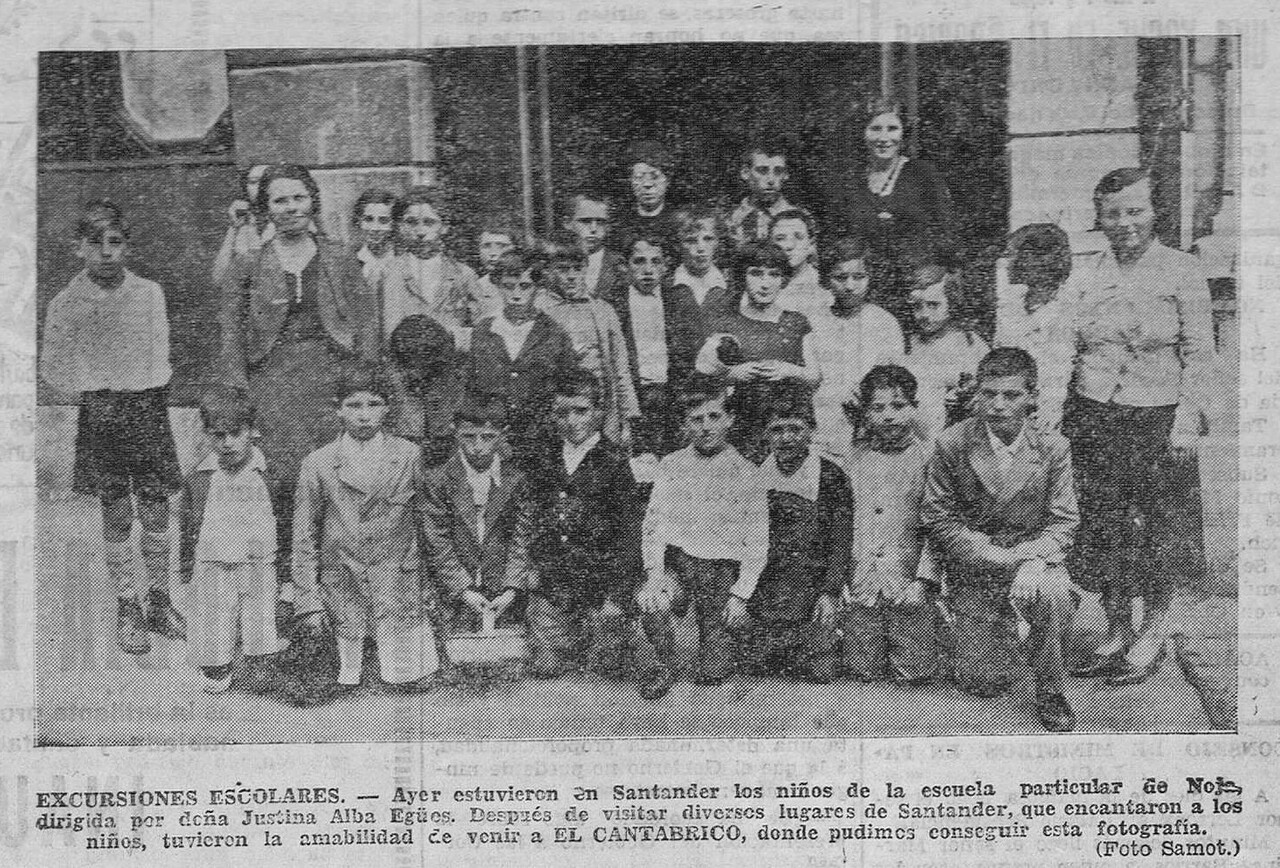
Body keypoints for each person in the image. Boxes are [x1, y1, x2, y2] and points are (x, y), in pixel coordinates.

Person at [1064, 168, 1216, 686]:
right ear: (1099, 219)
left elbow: (1200, 354)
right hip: (1096, 414)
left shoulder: (1182, 270)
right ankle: (1116, 631)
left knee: (1160, 527)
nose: (1125, 222)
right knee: (1103, 522)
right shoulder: (1087, 276)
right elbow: (1072, 347)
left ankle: (1151, 633)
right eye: (1113, 213)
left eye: (1136, 210)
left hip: (1158, 417)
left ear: (1155, 212)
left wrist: (1188, 423)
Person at [218, 164, 378, 592]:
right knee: (285, 478)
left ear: (312, 202)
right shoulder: (249, 264)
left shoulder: (339, 256)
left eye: (298, 198)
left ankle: (338, 577)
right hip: (274, 382)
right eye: (279, 200)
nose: (290, 208)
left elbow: (365, 322)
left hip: (332, 379)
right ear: (265, 209)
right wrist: (239, 393)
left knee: (337, 475)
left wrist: (362, 382)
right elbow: (231, 331)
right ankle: (288, 581)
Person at [40, 201, 185, 655]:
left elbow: (159, 353)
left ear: (127, 245)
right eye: (95, 244)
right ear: (77, 247)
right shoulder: (67, 302)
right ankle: (127, 603)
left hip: (146, 407)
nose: (106, 252)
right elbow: (53, 367)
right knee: (118, 510)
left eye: (115, 242)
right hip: (102, 413)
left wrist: (139, 383)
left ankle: (160, 598)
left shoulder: (149, 293)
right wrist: (95, 384)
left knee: (157, 506)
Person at [921, 348, 1078, 732]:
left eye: (1011, 395)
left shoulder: (1053, 447)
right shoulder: (953, 443)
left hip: (1030, 561)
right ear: (977, 393)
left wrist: (1033, 559)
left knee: (1053, 594)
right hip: (976, 564)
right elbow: (938, 517)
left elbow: (1064, 521)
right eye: (988, 394)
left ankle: (1051, 691)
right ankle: (996, 628)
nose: (998, 405)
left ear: (1032, 396)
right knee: (982, 681)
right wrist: (993, 555)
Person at [506, 372, 666, 698]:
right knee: (547, 666)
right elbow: (534, 516)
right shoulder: (546, 458)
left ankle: (646, 657)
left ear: (599, 412)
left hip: (601, 574)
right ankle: (574, 636)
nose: (572, 421)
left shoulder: (614, 461)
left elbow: (628, 534)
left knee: (609, 648)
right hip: (557, 576)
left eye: (581, 411)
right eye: (562, 413)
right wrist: (535, 570)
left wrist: (618, 594)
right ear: (552, 416)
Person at [291, 365, 439, 700]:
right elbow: (304, 537)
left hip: (397, 576)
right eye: (354, 406)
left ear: (387, 407)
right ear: (337, 409)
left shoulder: (407, 455)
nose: (364, 416)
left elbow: (426, 520)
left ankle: (402, 663)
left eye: (373, 404)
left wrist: (426, 581)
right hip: (343, 576)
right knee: (343, 679)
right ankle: (348, 663)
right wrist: (308, 601)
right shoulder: (319, 463)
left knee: (409, 681)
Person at [636, 381, 769, 686]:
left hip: (722, 571)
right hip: (680, 565)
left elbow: (757, 541)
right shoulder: (671, 465)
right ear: (684, 424)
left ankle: (727, 640)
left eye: (714, 417)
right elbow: (654, 524)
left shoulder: (747, 472)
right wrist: (654, 574)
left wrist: (740, 595)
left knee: (714, 672)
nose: (706, 427)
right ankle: (663, 664)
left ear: (730, 419)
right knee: (652, 601)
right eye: (696, 420)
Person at [178, 386, 285, 694]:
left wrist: (288, 574)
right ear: (207, 434)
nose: (226, 444)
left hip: (259, 560)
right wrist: (187, 568)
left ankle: (259, 662)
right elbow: (187, 525)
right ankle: (216, 665)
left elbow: (287, 522)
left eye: (235, 433)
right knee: (213, 612)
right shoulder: (199, 479)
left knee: (261, 613)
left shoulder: (270, 476)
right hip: (213, 560)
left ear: (252, 430)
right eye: (216, 435)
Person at [741, 392, 850, 683]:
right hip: (769, 586)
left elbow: (841, 540)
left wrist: (830, 592)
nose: (787, 438)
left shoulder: (830, 476)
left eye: (795, 429)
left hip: (811, 585)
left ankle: (821, 639)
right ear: (766, 434)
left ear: (811, 430)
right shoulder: (755, 474)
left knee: (821, 673)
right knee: (756, 665)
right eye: (777, 430)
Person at [840, 365, 936, 684]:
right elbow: (841, 524)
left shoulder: (929, 460)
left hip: (906, 580)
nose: (889, 416)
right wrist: (841, 578)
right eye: (878, 408)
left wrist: (923, 581)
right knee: (863, 671)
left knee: (913, 673)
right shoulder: (853, 460)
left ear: (914, 408)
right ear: (865, 413)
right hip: (862, 578)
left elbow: (937, 528)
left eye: (898, 406)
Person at [695, 239, 821, 460]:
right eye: (756, 273)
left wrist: (790, 370)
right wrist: (731, 374)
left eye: (774, 274)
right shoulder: (728, 322)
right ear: (743, 277)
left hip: (787, 428)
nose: (765, 283)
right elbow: (703, 371)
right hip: (743, 429)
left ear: (783, 279)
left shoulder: (796, 322)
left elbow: (814, 377)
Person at [836, 98, 955, 325]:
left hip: (917, 288)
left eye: (892, 129)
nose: (883, 138)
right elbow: (842, 237)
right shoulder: (852, 181)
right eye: (875, 129)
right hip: (868, 290)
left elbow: (947, 231)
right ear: (863, 133)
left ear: (903, 134)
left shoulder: (923, 174)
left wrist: (938, 270)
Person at [420, 398, 529, 633]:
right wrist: (463, 589)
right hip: (453, 595)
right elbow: (437, 542)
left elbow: (522, 539)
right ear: (455, 433)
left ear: (503, 434)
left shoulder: (518, 480)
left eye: (488, 437)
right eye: (469, 436)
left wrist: (511, 588)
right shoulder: (437, 481)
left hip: (505, 594)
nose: (478, 446)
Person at [380, 185, 480, 441]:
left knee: (445, 442)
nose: (421, 231)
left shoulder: (462, 275)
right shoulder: (386, 273)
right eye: (411, 222)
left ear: (444, 227)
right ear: (399, 226)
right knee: (406, 443)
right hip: (403, 381)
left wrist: (455, 339)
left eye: (429, 222)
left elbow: (484, 328)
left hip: (449, 379)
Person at [464, 251, 577, 468]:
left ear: (538, 288)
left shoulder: (554, 332)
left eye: (525, 287)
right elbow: (473, 390)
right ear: (497, 286)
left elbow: (567, 388)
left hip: (542, 443)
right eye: (508, 286)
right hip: (492, 442)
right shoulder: (483, 331)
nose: (516, 295)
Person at [541, 232, 640, 447]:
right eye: (563, 270)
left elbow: (621, 368)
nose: (571, 276)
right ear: (549, 271)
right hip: (557, 414)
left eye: (577, 269)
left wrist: (627, 419)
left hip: (601, 414)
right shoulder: (540, 310)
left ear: (586, 267)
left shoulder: (603, 311)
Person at [808, 237, 903, 459]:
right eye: (840, 278)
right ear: (826, 280)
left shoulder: (884, 323)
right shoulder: (814, 322)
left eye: (858, 277)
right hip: (822, 431)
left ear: (870, 278)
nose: (850, 286)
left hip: (872, 429)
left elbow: (896, 379)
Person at [995, 223, 1083, 433]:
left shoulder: (1065, 311)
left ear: (1033, 262)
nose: (1006, 263)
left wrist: (1050, 412)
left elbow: (1059, 369)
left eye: (1012, 256)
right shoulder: (1011, 305)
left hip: (1045, 416)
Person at [610, 233, 687, 457]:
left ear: (665, 267)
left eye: (656, 261)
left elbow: (686, 356)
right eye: (639, 261)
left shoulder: (677, 301)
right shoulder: (613, 303)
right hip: (634, 397)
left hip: (669, 397)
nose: (648, 270)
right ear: (625, 266)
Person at [903, 264, 989, 440]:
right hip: (911, 440)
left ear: (952, 301)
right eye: (917, 307)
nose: (924, 314)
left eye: (933, 305)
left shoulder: (970, 345)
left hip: (954, 439)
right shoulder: (906, 345)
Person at [728, 138, 799, 248]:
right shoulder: (730, 218)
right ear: (745, 173)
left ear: (786, 175)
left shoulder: (799, 219)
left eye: (778, 171)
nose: (771, 180)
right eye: (762, 170)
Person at [211, 164, 270, 288]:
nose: (260, 187)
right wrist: (234, 227)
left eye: (267, 180)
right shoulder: (245, 224)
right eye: (253, 182)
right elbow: (219, 280)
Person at [614, 140, 681, 246]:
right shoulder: (620, 225)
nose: (647, 184)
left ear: (667, 180)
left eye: (655, 177)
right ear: (630, 181)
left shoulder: (679, 223)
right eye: (639, 177)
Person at [562, 192, 624, 300]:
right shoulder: (554, 262)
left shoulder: (619, 263)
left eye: (601, 222)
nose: (594, 228)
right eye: (585, 221)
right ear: (568, 223)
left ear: (608, 226)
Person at [769, 208, 827, 321]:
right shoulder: (760, 284)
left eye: (798, 237)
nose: (789, 245)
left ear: (811, 244)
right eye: (780, 238)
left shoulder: (824, 285)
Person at [473, 213, 520, 323]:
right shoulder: (475, 287)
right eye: (486, 246)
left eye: (501, 246)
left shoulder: (528, 284)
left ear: (514, 249)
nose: (492, 253)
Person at [351, 188, 400, 288]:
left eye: (383, 220)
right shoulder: (351, 260)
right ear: (359, 222)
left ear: (394, 224)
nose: (375, 228)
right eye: (368, 219)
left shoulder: (402, 259)